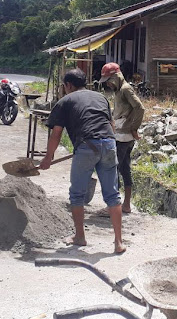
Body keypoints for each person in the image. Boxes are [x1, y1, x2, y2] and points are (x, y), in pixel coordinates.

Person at [40, 68, 126, 254]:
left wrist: (48, 157)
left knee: (77, 195)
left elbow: (56, 133)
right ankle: (118, 242)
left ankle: (80, 237)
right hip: (110, 144)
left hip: (87, 145)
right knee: (112, 194)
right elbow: (110, 124)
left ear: (68, 85)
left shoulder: (65, 101)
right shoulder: (101, 98)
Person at [99, 62, 144, 214]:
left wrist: (133, 128)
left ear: (116, 77)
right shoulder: (119, 91)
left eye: (109, 81)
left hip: (123, 137)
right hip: (121, 135)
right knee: (124, 168)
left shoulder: (125, 89)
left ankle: (114, 206)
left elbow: (139, 107)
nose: (109, 85)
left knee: (113, 169)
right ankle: (125, 205)